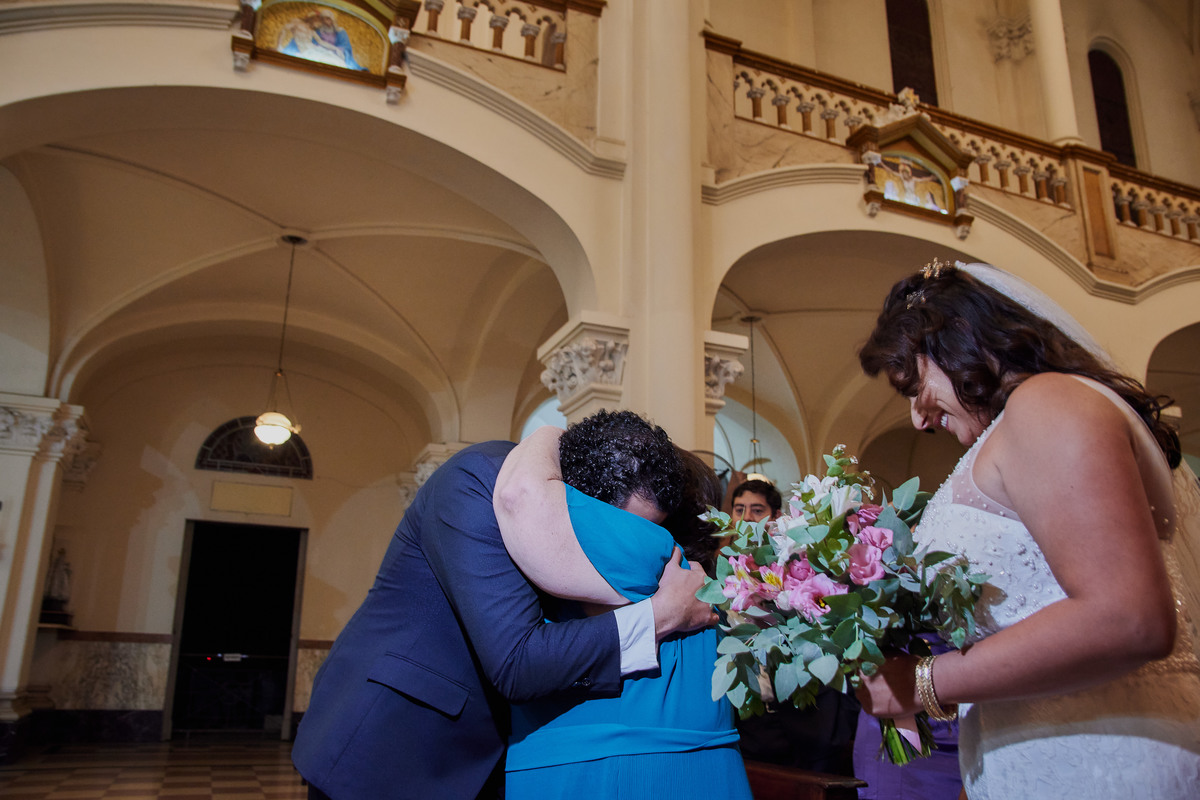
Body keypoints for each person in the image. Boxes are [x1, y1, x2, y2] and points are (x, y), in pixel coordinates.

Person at [855, 260, 1200, 799]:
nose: (918, 418)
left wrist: (923, 682)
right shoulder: (1024, 420)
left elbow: (1128, 618)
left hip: (1105, 763)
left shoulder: (1047, 403)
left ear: (956, 340)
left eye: (914, 385)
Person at [291, 410, 715, 799]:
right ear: (579, 495)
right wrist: (660, 616)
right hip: (392, 744)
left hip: (492, 752)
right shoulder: (477, 482)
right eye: (624, 532)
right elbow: (517, 661)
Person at [494, 430, 752, 798]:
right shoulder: (708, 589)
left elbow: (518, 493)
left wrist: (551, 433)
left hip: (590, 778)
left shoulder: (645, 557)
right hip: (703, 775)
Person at [727, 479, 863, 778]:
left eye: (756, 510)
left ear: (776, 515)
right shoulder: (725, 566)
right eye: (739, 509)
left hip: (810, 713)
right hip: (754, 723)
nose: (746, 517)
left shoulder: (797, 557)